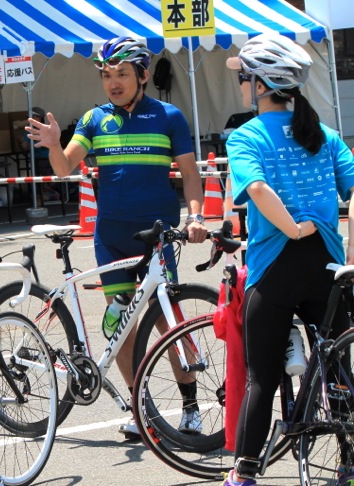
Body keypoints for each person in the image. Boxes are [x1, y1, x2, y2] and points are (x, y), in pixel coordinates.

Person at [26, 36, 207, 438]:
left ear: (143, 75)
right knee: (122, 325)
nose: (113, 83)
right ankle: (139, 409)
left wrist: (195, 218)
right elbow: (63, 168)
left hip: (157, 236)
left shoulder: (169, 117)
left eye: (122, 74)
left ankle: (191, 408)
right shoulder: (94, 119)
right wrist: (55, 144)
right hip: (111, 236)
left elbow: (192, 177)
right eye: (107, 75)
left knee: (169, 323)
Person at [223, 34, 354, 486]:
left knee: (262, 377)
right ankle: (348, 464)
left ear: (260, 85)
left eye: (244, 77)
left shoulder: (246, 136)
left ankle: (244, 474)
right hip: (328, 266)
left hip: (274, 267)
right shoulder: (329, 135)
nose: (241, 84)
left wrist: (292, 228)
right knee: (338, 371)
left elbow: (256, 189)